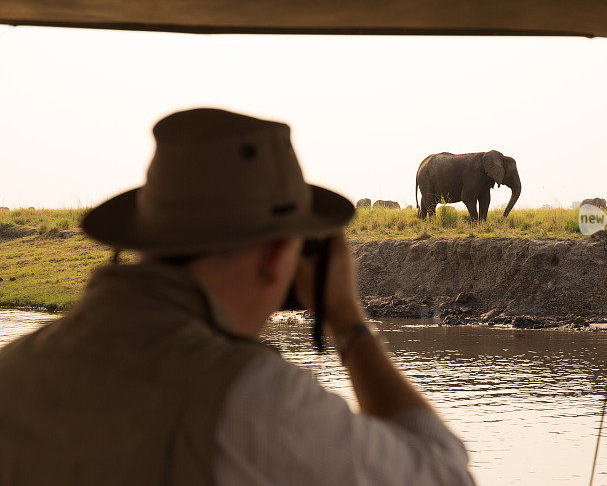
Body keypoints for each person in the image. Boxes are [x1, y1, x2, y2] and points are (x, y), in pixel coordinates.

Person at [0, 108, 473, 485]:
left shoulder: (15, 366)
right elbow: (444, 476)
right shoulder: (254, 400)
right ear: (275, 257)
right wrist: (348, 322)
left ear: (144, 239)